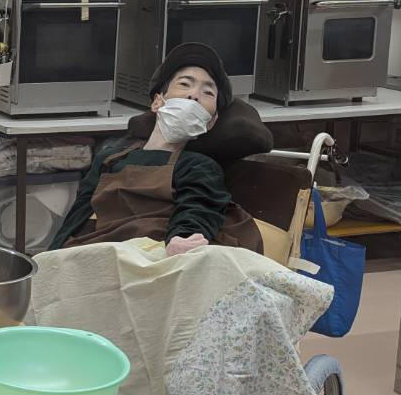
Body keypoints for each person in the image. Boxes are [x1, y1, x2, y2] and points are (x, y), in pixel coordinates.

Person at [48, 42, 262, 254]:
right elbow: (76, 217)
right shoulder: (109, 158)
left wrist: (182, 239)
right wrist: (49, 257)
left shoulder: (198, 166)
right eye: (185, 84)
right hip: (103, 252)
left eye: (208, 93)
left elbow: (198, 209)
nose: (194, 95)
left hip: (156, 257)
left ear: (211, 122)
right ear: (158, 102)